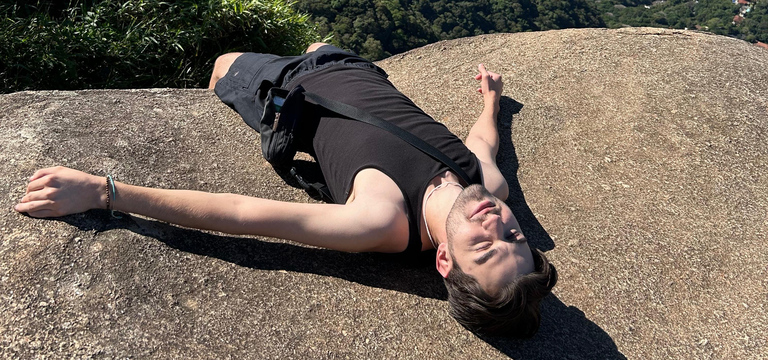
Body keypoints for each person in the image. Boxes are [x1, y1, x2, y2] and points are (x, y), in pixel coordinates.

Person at [15, 42, 557, 337]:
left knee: (223, 65)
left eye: (483, 247)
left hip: (289, 88)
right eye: (513, 236)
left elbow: (242, 213)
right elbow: (481, 143)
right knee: (315, 39)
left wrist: (105, 191)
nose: (496, 223)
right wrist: (492, 103)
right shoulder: (489, 186)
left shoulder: (380, 220)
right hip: (350, 64)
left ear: (443, 260)